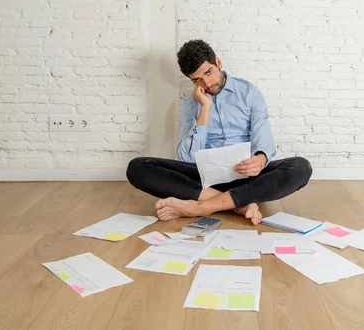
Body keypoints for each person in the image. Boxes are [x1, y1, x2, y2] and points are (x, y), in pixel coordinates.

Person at [126, 39, 312, 225]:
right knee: (138, 168)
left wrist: (260, 159)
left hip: (246, 175)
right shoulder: (188, 104)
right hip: (206, 180)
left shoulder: (249, 93)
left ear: (218, 63)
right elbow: (187, 158)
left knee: (300, 167)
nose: (207, 83)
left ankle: (201, 207)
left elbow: (264, 139)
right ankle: (237, 203)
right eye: (197, 79)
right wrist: (205, 108)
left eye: (209, 72)